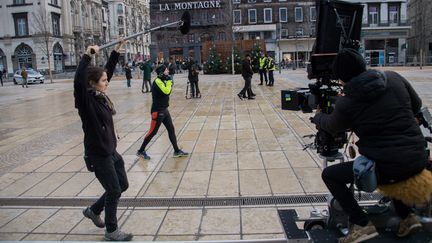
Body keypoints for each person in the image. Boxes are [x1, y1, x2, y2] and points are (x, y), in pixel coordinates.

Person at [312, 48, 432, 243]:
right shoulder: (393, 78)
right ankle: (407, 218)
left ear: (341, 77)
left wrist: (318, 116)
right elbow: (416, 105)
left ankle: (361, 224)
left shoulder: (347, 102)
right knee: (392, 164)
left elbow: (333, 126)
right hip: (418, 157)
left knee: (331, 175)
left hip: (387, 167)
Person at [74, 40, 133, 241]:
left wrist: (115, 53)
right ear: (92, 83)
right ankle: (111, 230)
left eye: (107, 80)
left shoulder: (100, 97)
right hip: (98, 154)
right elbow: (78, 83)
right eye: (103, 81)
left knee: (122, 185)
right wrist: (86, 56)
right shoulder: (86, 101)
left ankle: (93, 211)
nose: (107, 83)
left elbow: (105, 71)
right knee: (114, 190)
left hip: (111, 151)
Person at [136, 64, 189, 160]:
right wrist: (169, 81)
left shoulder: (162, 80)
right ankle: (141, 151)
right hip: (157, 111)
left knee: (171, 130)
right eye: (166, 70)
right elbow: (166, 91)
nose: (168, 71)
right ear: (161, 72)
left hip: (164, 110)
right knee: (153, 132)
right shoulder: (157, 81)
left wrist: (168, 80)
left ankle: (176, 151)